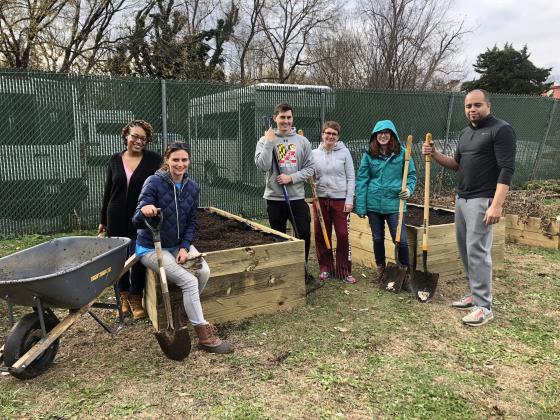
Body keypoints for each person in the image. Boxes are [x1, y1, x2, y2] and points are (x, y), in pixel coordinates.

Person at [422, 89, 516, 327]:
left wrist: (496, 205)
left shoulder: (501, 130)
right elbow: (456, 164)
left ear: (488, 106)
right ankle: (474, 293)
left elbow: (507, 169)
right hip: (461, 199)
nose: (472, 110)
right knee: (465, 249)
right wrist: (434, 154)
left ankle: (484, 306)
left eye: (477, 105)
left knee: (478, 251)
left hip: (482, 200)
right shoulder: (464, 134)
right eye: (468, 107)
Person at [132, 142, 233, 353]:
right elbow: (136, 220)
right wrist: (145, 211)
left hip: (178, 245)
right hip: (152, 247)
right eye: (175, 159)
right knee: (188, 280)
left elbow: (192, 222)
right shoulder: (154, 182)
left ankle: (186, 314)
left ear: (189, 161)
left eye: (184, 160)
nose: (180, 164)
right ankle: (204, 335)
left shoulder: (192, 186)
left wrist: (185, 247)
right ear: (167, 160)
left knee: (203, 271)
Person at [255, 102, 322, 292]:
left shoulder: (302, 141)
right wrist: (269, 142)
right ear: (275, 118)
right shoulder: (264, 140)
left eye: (288, 117)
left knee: (303, 233)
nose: (285, 120)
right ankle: (280, 272)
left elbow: (310, 168)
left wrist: (291, 178)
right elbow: (263, 166)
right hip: (275, 197)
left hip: (296, 197)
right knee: (277, 236)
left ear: (292, 119)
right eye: (282, 117)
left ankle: (302, 272)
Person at [98, 119, 162, 319]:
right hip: (115, 215)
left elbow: (160, 187)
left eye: (143, 138)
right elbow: (108, 191)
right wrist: (103, 220)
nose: (138, 141)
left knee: (138, 256)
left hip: (140, 216)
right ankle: (123, 296)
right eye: (134, 136)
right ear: (126, 136)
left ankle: (136, 297)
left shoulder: (154, 160)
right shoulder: (114, 160)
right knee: (119, 259)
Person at [355, 120, 417, 287]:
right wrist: (360, 206)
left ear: (392, 135)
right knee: (377, 238)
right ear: (375, 136)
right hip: (374, 202)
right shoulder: (369, 154)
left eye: (386, 133)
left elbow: (411, 176)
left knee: (401, 240)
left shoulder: (403, 153)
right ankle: (381, 270)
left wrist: (409, 190)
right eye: (379, 133)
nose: (383, 136)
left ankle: (405, 273)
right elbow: (362, 180)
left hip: (395, 203)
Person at [311, 121, 356, 284]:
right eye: (328, 133)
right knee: (321, 234)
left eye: (334, 134)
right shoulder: (314, 153)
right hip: (321, 199)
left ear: (338, 137)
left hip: (340, 200)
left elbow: (351, 178)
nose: (330, 136)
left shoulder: (344, 153)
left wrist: (349, 200)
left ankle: (343, 271)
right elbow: (310, 174)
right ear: (322, 134)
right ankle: (325, 268)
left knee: (343, 235)